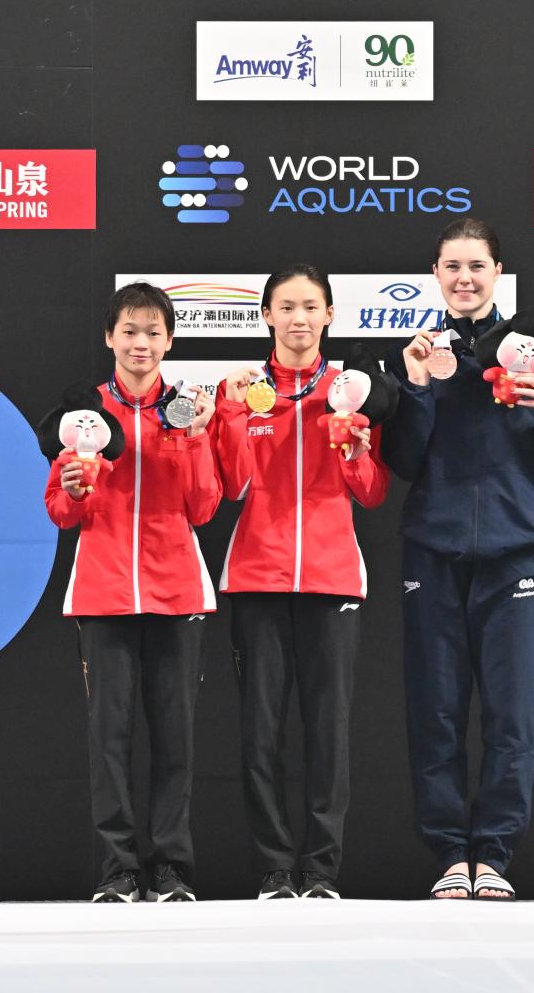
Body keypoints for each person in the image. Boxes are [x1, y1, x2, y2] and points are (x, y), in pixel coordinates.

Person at [381, 219, 534, 900]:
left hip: (516, 557)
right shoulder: (416, 354)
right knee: (436, 712)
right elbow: (401, 461)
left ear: (498, 272)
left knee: (511, 715)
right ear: (436, 275)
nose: (464, 278)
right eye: (452, 266)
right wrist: (416, 387)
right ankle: (450, 853)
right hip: (433, 555)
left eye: (477, 266)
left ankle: (494, 855)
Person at [214, 265, 390, 900]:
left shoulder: (350, 390)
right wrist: (234, 414)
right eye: (286, 306)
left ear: (329, 315)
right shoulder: (242, 390)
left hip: (331, 578)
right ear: (266, 315)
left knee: (328, 732)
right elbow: (232, 486)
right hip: (256, 578)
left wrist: (357, 453)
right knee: (261, 734)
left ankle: (320, 871)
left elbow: (371, 493)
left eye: (310, 306)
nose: (298, 318)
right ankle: (272, 868)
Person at [42, 282, 221, 903]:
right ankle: (117, 868)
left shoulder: (188, 410)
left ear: (169, 341)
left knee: (176, 738)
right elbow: (60, 510)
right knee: (109, 738)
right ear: (109, 337)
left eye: (153, 332)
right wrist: (73, 489)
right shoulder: (84, 415)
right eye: (129, 331)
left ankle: (171, 867)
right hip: (103, 593)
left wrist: (193, 437)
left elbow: (204, 506)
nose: (140, 343)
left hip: (178, 594)